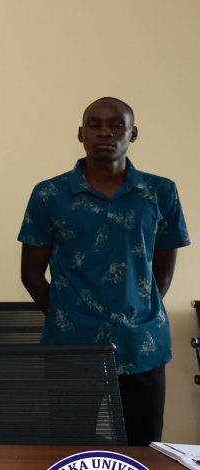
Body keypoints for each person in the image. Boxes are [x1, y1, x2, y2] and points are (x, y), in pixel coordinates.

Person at [18, 97, 189, 445]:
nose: (105, 132)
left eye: (116, 125)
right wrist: (65, 314)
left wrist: (137, 312)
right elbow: (31, 273)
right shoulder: (50, 194)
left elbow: (162, 270)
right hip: (71, 348)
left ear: (133, 134)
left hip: (142, 346)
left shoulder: (160, 192)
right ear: (81, 134)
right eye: (94, 125)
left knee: (143, 450)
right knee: (69, 449)